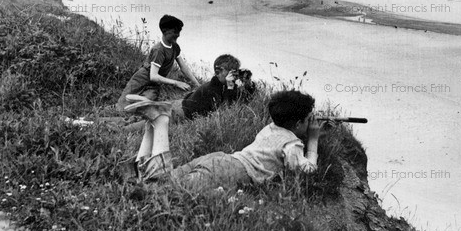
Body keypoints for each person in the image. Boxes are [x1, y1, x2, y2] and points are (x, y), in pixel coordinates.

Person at [123, 90, 321, 191]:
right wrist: (312, 140)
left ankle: (151, 124)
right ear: (297, 124)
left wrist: (303, 127)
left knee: (163, 182)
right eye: (308, 119)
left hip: (218, 160)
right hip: (229, 172)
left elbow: (285, 133)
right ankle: (161, 120)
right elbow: (308, 169)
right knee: (165, 190)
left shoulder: (270, 128)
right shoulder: (292, 144)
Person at [116, 14, 200, 112]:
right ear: (165, 31)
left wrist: (197, 84)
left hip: (154, 85)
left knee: (144, 105)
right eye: (175, 31)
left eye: (179, 31)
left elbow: (184, 67)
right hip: (140, 80)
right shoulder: (159, 50)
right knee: (121, 108)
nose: (178, 34)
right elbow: (153, 76)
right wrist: (176, 83)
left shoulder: (175, 47)